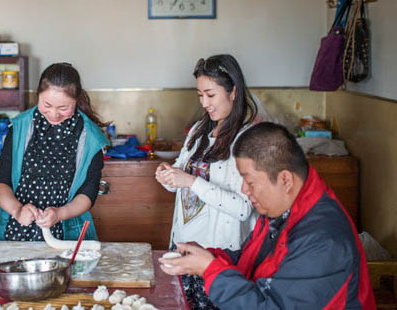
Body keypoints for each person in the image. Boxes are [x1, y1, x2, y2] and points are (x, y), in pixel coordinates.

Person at [159, 122, 375, 309]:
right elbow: (249, 260)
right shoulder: (281, 210)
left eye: (250, 181)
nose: (244, 189)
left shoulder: (322, 239)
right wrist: (208, 256)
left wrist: (210, 270)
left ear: (285, 180)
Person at [154, 54, 258, 309]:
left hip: (218, 256)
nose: (204, 102)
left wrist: (190, 181)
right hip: (185, 247)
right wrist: (168, 176)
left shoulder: (248, 138)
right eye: (200, 95)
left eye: (210, 95)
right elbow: (182, 174)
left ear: (233, 91)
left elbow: (243, 208)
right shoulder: (200, 129)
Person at [0, 63, 109, 241]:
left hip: (68, 235)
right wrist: (17, 210)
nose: (54, 114)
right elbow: (0, 181)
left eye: (63, 108)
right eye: (47, 105)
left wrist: (60, 213)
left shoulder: (91, 137)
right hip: (16, 230)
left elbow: (88, 192)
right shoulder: (20, 127)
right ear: (38, 95)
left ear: (76, 100)